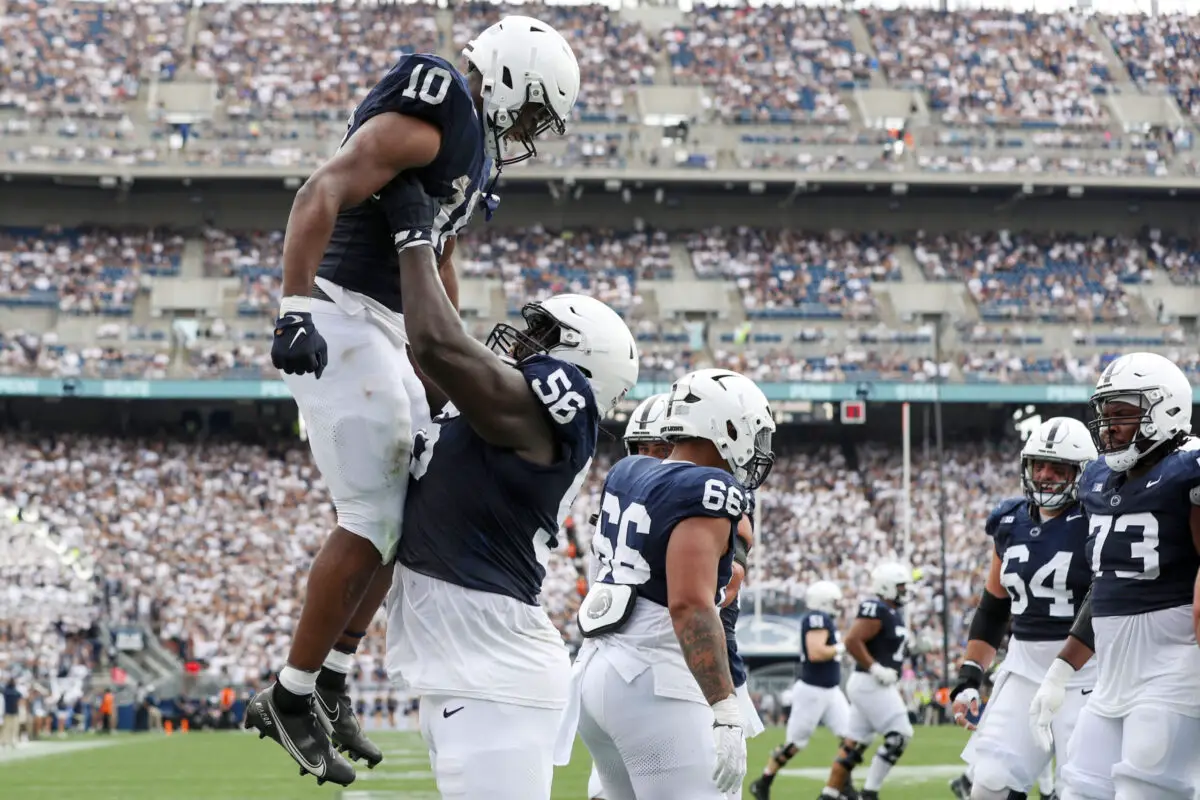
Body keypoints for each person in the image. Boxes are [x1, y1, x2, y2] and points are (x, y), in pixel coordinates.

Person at [244, 15, 581, 787]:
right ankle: (292, 696)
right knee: (371, 516)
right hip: (337, 307)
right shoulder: (439, 115)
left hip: (385, 327)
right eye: (531, 110)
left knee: (415, 503)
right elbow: (325, 184)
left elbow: (444, 259)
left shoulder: (472, 161)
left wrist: (448, 374)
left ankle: (331, 673)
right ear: (503, 78)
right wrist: (294, 305)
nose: (528, 131)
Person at [383, 218, 638, 800]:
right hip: (470, 672)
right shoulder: (499, 418)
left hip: (495, 677)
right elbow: (435, 352)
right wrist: (441, 245)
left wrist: (412, 235)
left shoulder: (554, 421)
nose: (519, 345)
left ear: (578, 367)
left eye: (540, 339)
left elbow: (439, 346)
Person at [561, 368, 777, 800]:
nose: (757, 449)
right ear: (728, 426)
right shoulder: (709, 488)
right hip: (659, 675)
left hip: (599, 669)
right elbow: (690, 606)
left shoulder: (627, 470)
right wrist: (725, 706)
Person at [1028, 353, 1200, 800]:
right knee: (1079, 790)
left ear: (1166, 410)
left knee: (1145, 791)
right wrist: (1061, 670)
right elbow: (1105, 585)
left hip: (1176, 663)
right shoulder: (1098, 480)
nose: (1109, 427)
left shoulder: (1190, 467)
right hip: (1113, 675)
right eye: (1105, 415)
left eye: (1124, 414)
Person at [949, 416, 1095, 800]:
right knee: (990, 785)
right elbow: (994, 606)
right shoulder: (1009, 520)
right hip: (1024, 667)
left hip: (1086, 672)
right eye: (1038, 465)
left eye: (1058, 467)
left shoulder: (1097, 518)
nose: (1044, 474)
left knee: (1083, 790)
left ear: (1080, 472)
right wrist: (969, 676)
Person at [818, 562, 913, 800]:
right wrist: (876, 668)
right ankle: (869, 793)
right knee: (900, 735)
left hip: (869, 685)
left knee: (854, 744)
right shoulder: (876, 607)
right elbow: (852, 641)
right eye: (900, 587)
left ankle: (828, 795)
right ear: (886, 586)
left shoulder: (893, 613)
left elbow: (888, 648)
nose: (904, 592)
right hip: (871, 683)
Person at [750, 580, 849, 800]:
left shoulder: (824, 620)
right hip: (813, 691)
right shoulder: (817, 618)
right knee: (795, 745)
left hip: (831, 691)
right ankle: (764, 781)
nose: (837, 605)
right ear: (823, 601)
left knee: (850, 740)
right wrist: (843, 646)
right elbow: (816, 652)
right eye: (834, 601)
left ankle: (844, 789)